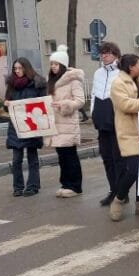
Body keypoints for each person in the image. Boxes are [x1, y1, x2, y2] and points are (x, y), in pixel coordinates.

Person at [109, 54, 139, 221]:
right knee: (134, 168)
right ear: (131, 67)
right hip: (128, 132)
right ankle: (118, 199)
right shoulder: (118, 83)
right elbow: (125, 105)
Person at [46, 45, 85, 198]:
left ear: (62, 65)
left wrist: (64, 105)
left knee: (70, 155)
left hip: (67, 123)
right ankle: (65, 183)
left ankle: (75, 186)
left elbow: (80, 101)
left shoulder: (73, 79)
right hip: (56, 123)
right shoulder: (51, 80)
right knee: (62, 156)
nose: (53, 67)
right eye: (51, 64)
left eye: (56, 64)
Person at [4, 57, 46, 197]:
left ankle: (32, 186)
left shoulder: (37, 83)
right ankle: (18, 187)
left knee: (32, 157)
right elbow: (7, 104)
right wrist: (7, 104)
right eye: (15, 69)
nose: (17, 71)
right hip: (16, 126)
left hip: (31, 124)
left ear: (26, 68)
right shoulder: (11, 84)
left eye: (20, 68)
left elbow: (43, 104)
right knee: (16, 159)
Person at [91, 42, 124, 206]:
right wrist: (93, 113)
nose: (104, 56)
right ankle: (113, 189)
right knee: (107, 158)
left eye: (108, 53)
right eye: (102, 53)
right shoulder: (98, 73)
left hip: (116, 120)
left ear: (115, 54)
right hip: (101, 119)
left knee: (118, 159)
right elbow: (94, 93)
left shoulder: (121, 72)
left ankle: (121, 192)